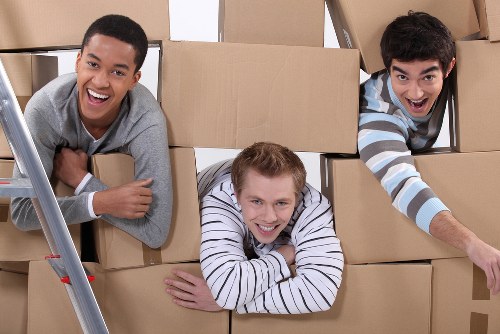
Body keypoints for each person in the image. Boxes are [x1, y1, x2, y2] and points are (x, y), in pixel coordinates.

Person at [358, 11, 500, 294]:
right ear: (387, 70)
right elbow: (404, 186)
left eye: (427, 77)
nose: (415, 92)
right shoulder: (375, 119)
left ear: (449, 69)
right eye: (402, 76)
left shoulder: (459, 71)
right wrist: (473, 244)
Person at [10, 14, 172, 249]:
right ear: (78, 62)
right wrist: (98, 202)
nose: (100, 82)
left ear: (134, 80)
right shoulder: (45, 109)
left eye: (118, 72)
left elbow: (155, 231)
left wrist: (81, 180)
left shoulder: (146, 120)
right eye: (93, 64)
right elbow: (22, 212)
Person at [164, 142, 343, 313]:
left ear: (296, 198)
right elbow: (227, 289)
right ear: (237, 195)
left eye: (281, 203)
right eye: (256, 201)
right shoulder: (220, 200)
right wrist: (282, 256)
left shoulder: (312, 205)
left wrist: (227, 302)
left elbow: (320, 292)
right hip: (215, 182)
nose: (269, 217)